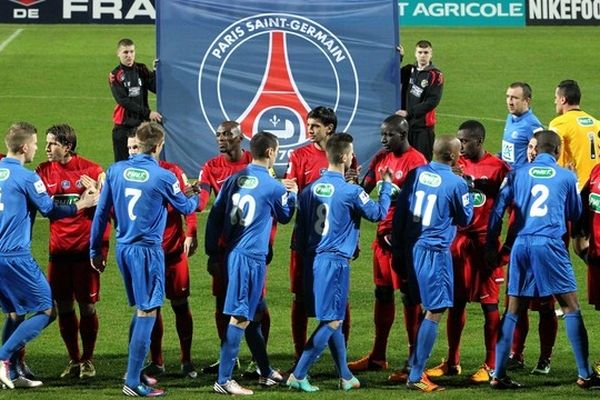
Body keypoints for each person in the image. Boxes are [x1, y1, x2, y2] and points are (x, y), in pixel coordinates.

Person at [90, 121, 199, 397]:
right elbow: (186, 207)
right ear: (159, 145)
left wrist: (95, 250)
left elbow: (101, 213)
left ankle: (134, 371)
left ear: (138, 142)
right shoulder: (163, 177)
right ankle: (132, 382)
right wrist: (196, 194)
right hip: (148, 251)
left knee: (141, 308)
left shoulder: (115, 171)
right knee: (148, 311)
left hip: (123, 248)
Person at [486, 130, 600, 389]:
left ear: (536, 150)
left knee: (513, 308)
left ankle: (498, 374)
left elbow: (497, 211)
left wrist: (492, 246)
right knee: (570, 306)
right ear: (558, 151)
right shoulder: (565, 177)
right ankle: (585, 374)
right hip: (548, 244)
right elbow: (574, 212)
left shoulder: (516, 174)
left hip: (521, 245)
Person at [287, 133, 391, 392]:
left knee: (335, 319)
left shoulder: (310, 189)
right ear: (345, 156)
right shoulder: (352, 191)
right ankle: (299, 373)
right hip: (335, 262)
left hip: (313, 260)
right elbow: (378, 213)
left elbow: (299, 230)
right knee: (332, 320)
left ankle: (346, 376)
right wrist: (386, 187)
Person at [0, 122, 97, 390]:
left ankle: (16, 370)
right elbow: (51, 210)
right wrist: (83, 203)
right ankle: (3, 359)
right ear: (23, 147)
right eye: (34, 143)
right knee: (46, 309)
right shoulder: (29, 176)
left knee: (15, 313)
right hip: (15, 256)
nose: (38, 149)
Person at [206, 131, 297, 395]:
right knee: (240, 317)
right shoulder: (272, 185)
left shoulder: (234, 179)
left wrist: (213, 252)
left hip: (234, 253)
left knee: (255, 315)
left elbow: (215, 215)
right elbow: (286, 215)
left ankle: (265, 370)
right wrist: (292, 194)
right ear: (270, 152)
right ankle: (224, 380)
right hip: (250, 258)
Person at [424, 121, 509, 383]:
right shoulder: (453, 166)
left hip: (484, 245)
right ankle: (452, 361)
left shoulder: (498, 168)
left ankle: (491, 364)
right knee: (455, 302)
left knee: (489, 304)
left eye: (465, 142)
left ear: (479, 141)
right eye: (457, 142)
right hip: (457, 243)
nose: (459, 147)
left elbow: (509, 204)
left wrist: (501, 249)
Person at [347, 115, 427, 378]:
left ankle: (414, 360)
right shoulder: (381, 159)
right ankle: (378, 356)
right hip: (381, 241)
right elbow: (364, 189)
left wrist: (402, 238)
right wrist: (352, 183)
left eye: (388, 135)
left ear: (403, 135)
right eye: (382, 135)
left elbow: (418, 207)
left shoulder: (416, 162)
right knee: (382, 293)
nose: (383, 140)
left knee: (409, 297)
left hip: (403, 242)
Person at [392, 135, 473, 392]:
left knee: (422, 306)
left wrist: (399, 251)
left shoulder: (415, 174)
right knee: (435, 310)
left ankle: (412, 365)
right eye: (458, 152)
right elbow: (465, 219)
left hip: (413, 247)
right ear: (452, 156)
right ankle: (416, 375)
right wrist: (466, 187)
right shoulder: (456, 183)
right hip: (436, 252)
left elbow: (401, 213)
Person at [35, 124, 110, 380]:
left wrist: (101, 194)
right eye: (45, 143)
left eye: (52, 143)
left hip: (83, 253)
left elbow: (107, 210)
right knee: (64, 307)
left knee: (87, 307)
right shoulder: (42, 172)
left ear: (67, 146)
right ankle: (73, 360)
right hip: (58, 252)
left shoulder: (91, 170)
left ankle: (88, 359)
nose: (46, 148)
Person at [285, 106, 357, 362]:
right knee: (301, 297)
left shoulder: (345, 155)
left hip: (335, 243)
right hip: (305, 241)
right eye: (308, 125)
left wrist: (354, 240)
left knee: (340, 298)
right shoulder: (299, 155)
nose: (309, 130)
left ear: (329, 128)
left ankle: (341, 356)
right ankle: (299, 353)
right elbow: (292, 191)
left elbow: (352, 197)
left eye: (314, 126)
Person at [126, 133, 199, 379]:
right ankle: (156, 361)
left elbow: (186, 205)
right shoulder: (129, 174)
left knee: (179, 305)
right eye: (130, 147)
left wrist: (191, 233)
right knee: (150, 308)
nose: (133, 151)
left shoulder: (171, 172)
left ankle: (186, 360)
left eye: (136, 146)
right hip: (148, 254)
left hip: (174, 251)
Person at [504, 132, 559, 375]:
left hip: (545, 252)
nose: (531, 151)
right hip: (520, 250)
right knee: (517, 304)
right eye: (529, 146)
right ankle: (516, 354)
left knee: (546, 306)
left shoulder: (559, 177)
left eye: (535, 147)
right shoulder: (518, 175)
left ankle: (545, 358)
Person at [109, 38, 162, 162]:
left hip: (141, 126)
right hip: (124, 126)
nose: (129, 56)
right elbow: (123, 100)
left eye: (132, 52)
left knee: (143, 162)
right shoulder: (115, 75)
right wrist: (148, 113)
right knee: (122, 164)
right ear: (118, 53)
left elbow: (154, 88)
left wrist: (156, 72)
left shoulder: (141, 69)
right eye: (125, 52)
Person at [396, 40, 444, 161]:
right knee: (405, 159)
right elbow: (393, 76)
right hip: (406, 126)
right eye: (420, 52)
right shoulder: (409, 70)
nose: (423, 55)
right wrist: (399, 57)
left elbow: (433, 101)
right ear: (415, 53)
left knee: (422, 161)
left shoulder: (435, 75)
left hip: (423, 128)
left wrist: (409, 112)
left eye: (426, 52)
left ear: (431, 54)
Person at [550, 79, 600, 191]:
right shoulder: (596, 123)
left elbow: (555, 158)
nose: (555, 102)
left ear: (563, 99)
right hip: (596, 186)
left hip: (577, 187)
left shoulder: (559, 123)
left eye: (556, 98)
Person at [501, 82, 543, 169]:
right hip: (507, 174)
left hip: (520, 177)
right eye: (508, 97)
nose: (510, 102)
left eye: (515, 98)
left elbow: (542, 154)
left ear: (527, 100)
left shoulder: (532, 125)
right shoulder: (510, 117)